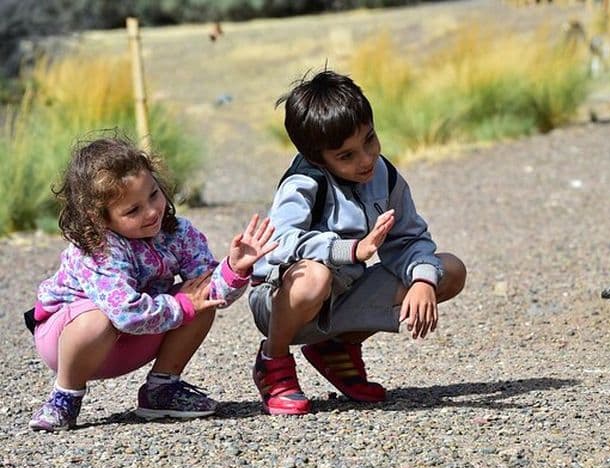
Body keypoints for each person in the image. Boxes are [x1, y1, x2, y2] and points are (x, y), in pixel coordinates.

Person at [248, 70, 467, 416]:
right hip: (282, 302)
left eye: (369, 140)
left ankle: (336, 349)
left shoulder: (384, 174)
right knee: (314, 278)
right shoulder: (304, 181)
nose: (365, 159)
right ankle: (272, 361)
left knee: (449, 269)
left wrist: (423, 278)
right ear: (319, 158)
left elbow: (409, 239)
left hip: (343, 295)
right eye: (346, 156)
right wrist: (348, 250)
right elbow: (276, 245)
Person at [27, 135, 276, 431]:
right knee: (100, 316)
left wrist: (235, 268)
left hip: (132, 337)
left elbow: (211, 292)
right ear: (98, 218)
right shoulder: (97, 249)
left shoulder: (178, 233)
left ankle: (161, 390)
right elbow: (126, 313)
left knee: (200, 295)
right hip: (70, 342)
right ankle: (64, 396)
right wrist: (183, 304)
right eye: (133, 210)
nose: (152, 211)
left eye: (154, 194)